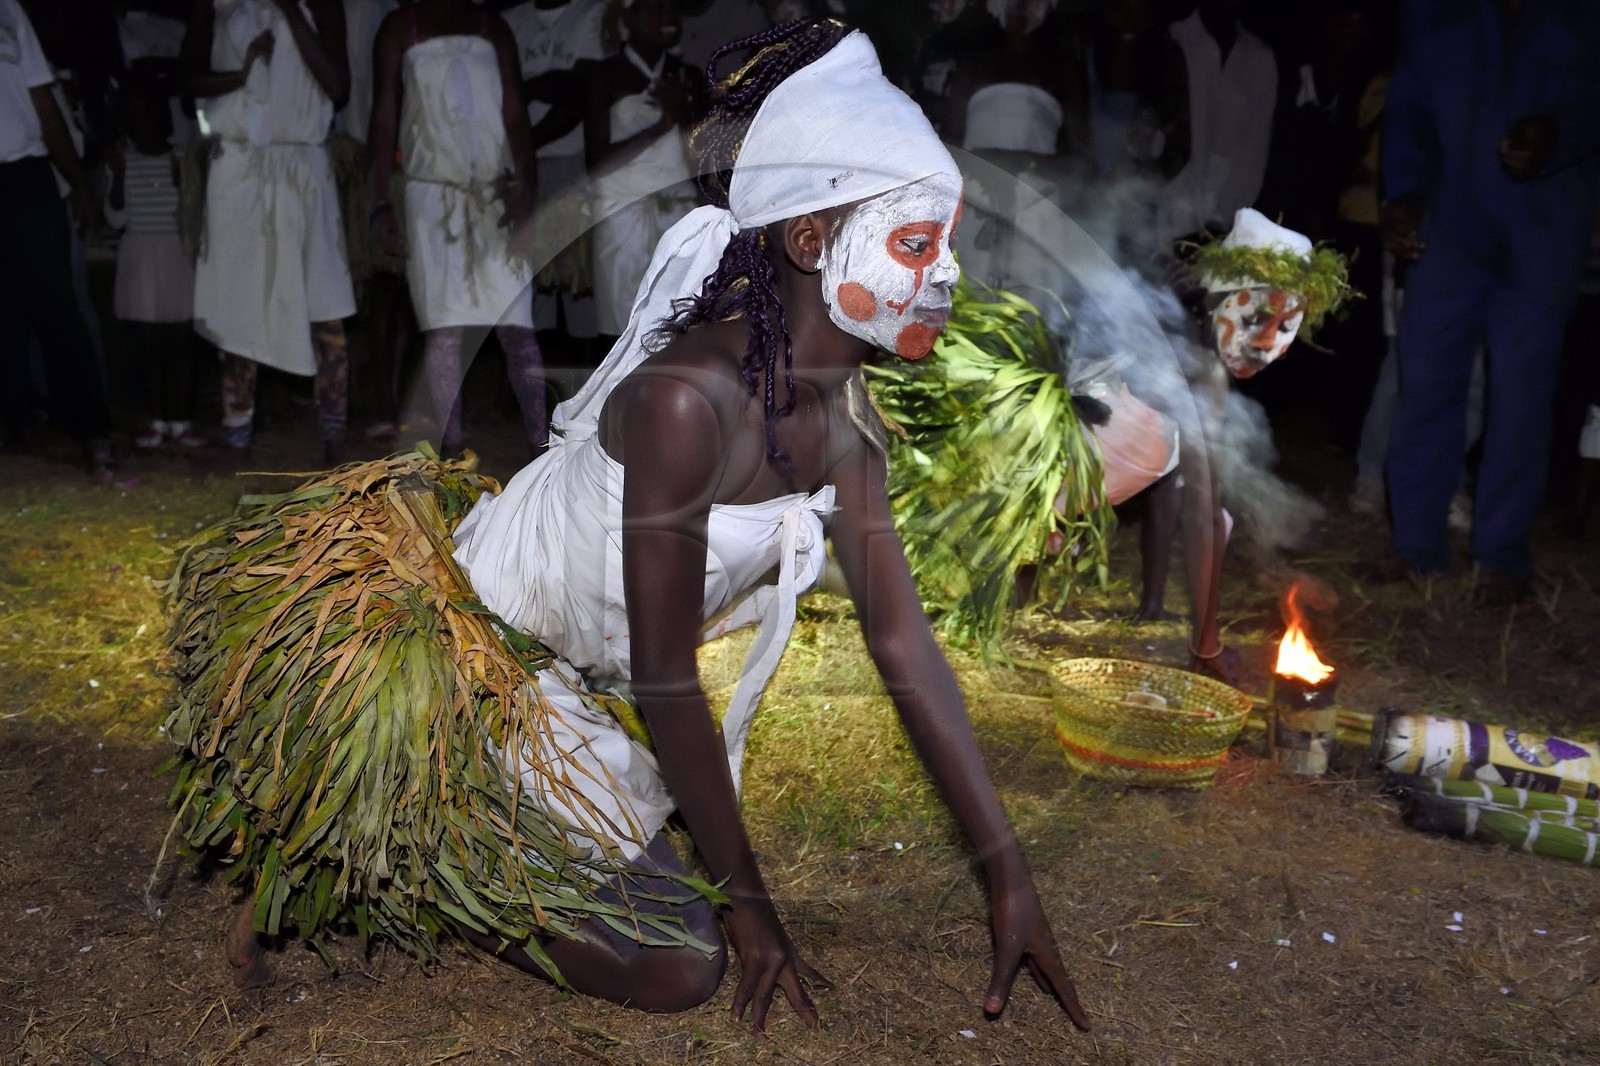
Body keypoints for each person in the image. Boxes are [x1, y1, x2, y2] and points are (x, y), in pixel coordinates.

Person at [175, 19, 1091, 1030]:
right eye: (918, 243)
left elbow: (904, 644)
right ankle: (413, 858)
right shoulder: (687, 400)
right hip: (474, 664)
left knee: (664, 924)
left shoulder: (841, 435)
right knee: (682, 966)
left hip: (565, 687)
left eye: (946, 244)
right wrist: (754, 911)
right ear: (808, 238)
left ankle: (483, 831)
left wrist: (1009, 874)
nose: (946, 276)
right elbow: (663, 677)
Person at [1379, 0, 1600, 605]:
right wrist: (1405, 191)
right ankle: (1415, 548)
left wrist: (1559, 134)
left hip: (1549, 217)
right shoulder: (1434, 12)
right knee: (1425, 383)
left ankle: (1501, 558)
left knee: (1523, 396)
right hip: (1452, 219)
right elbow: (1410, 107)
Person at [1136, 208, 1351, 683]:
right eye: (1254, 318)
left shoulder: (1200, 346)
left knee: (1179, 474)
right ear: (1217, 298)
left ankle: (1149, 602)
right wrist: (1206, 642)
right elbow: (1201, 515)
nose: (1265, 342)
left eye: (1285, 329)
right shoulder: (1191, 359)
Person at [367, 0, 548, 457]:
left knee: (516, 322)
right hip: (431, 196)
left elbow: (514, 114)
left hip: (495, 191)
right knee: (444, 329)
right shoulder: (398, 27)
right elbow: (384, 118)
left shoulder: (493, 25)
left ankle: (543, 447)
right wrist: (379, 204)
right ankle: (450, 454)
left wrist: (528, 188)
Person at [182, 0, 356, 465]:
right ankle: (237, 431)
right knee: (236, 302)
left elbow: (338, 87)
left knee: (326, 304)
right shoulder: (215, 7)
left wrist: (293, 12)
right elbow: (188, 82)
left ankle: (334, 434)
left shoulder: (323, 5)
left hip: (305, 167)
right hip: (238, 169)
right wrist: (240, 74)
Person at [0, 0, 116, 478]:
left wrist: (78, 183)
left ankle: (92, 433)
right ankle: (16, 429)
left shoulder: (9, 10)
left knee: (56, 306)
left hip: (24, 176)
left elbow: (42, 101)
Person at [582, 0, 703, 345]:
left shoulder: (687, 76)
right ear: (630, 17)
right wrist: (659, 126)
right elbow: (595, 162)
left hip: (678, 213)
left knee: (681, 324)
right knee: (621, 330)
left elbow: (706, 157)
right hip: (621, 214)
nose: (668, 18)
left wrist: (682, 117)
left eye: (672, 11)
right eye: (656, 10)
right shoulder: (603, 76)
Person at [105, 78, 202, 450]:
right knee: (150, 348)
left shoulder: (181, 157)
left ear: (164, 117)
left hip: (177, 256)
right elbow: (115, 219)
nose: (143, 121)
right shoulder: (122, 160)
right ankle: (158, 421)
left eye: (150, 113)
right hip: (141, 259)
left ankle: (184, 421)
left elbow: (193, 216)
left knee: (181, 344)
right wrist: (119, 175)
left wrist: (182, 184)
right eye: (134, 115)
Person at [1158, 0, 1276, 245]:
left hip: (1225, 225)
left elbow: (1254, 154)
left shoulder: (1259, 59)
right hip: (1163, 214)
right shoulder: (1174, 39)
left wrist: (1222, 222)